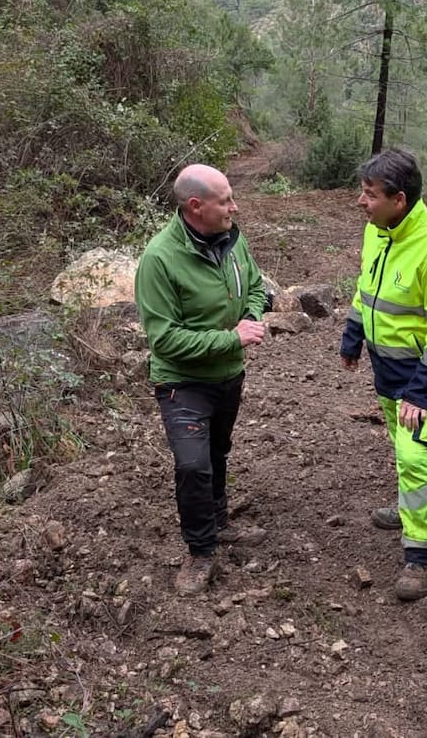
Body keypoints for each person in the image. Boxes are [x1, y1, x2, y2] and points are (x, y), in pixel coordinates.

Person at [135, 164, 268, 596]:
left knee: (216, 451)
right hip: (182, 381)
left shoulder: (232, 239)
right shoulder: (159, 259)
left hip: (228, 375)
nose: (234, 207)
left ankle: (219, 522)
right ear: (196, 206)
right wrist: (231, 338)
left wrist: (251, 316)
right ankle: (200, 551)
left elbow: (255, 286)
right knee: (193, 465)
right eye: (225, 200)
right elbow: (164, 339)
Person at [340, 148, 427, 602]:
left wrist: (422, 392)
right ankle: (412, 508)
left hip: (418, 377)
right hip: (385, 370)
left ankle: (421, 553)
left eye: (370, 194)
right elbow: (366, 289)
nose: (361, 201)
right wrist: (353, 336)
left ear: (399, 200)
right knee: (401, 446)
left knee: (414, 458)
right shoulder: (378, 230)